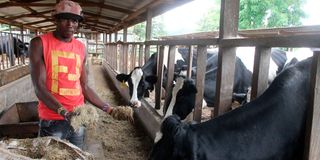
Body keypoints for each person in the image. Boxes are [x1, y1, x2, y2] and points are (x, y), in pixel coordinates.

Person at [29, 0, 133, 149]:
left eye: (75, 20)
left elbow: (84, 86)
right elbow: (39, 87)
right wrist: (65, 113)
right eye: (65, 18)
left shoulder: (81, 48)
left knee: (78, 154)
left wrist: (109, 109)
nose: (70, 24)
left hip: (78, 116)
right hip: (53, 120)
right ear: (56, 19)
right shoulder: (39, 43)